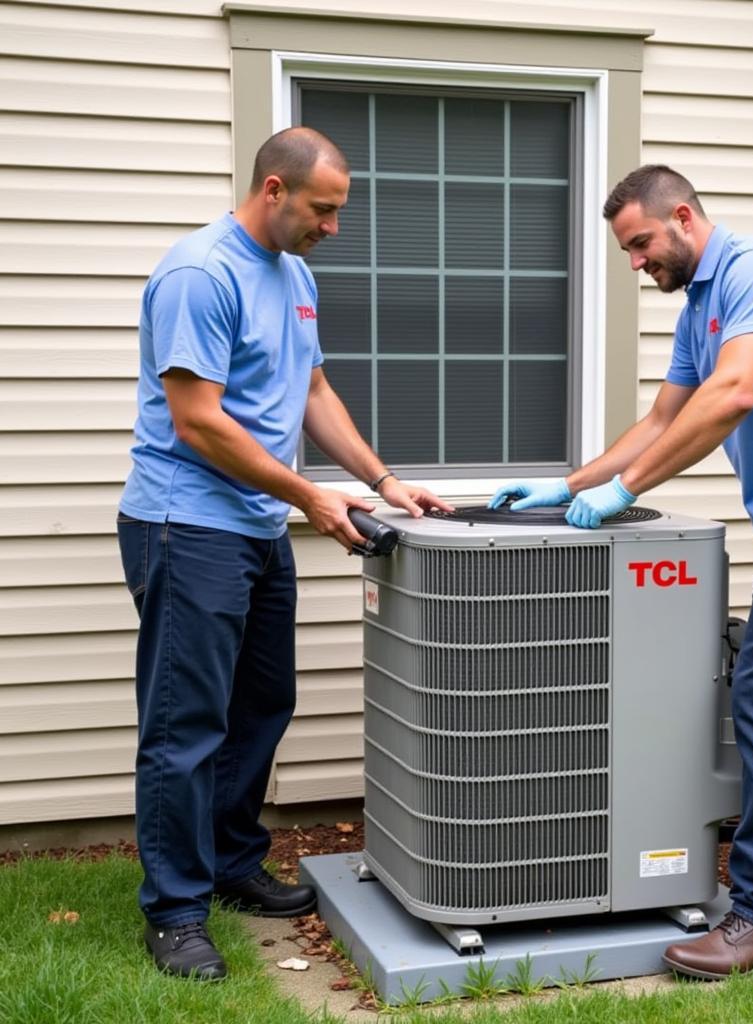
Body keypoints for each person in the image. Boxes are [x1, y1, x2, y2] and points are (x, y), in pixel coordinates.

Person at [490, 165, 753, 979]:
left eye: (641, 243)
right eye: (628, 251)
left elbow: (735, 394)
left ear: (682, 217)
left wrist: (625, 492)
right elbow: (665, 417)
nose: (638, 263)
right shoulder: (698, 308)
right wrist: (572, 484)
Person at [117, 127, 451, 981]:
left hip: (257, 526)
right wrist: (307, 495)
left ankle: (229, 866)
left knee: (262, 704)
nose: (334, 228)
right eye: (324, 210)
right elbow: (197, 419)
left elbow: (311, 391)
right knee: (185, 723)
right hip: (186, 524)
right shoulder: (201, 274)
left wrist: (382, 479)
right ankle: (176, 911)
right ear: (274, 189)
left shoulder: (293, 275)